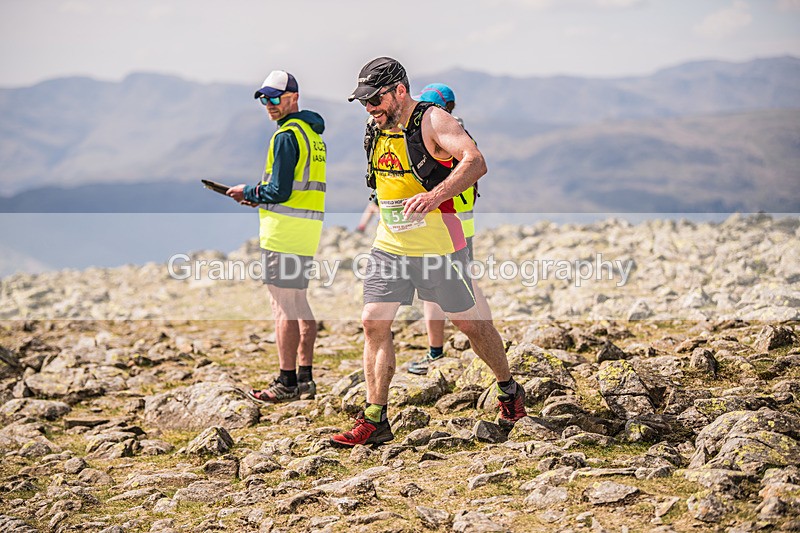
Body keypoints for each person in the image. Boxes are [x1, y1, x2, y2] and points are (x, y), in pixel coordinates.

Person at [330, 57, 527, 447]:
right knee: (373, 321)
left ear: (399, 91)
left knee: (470, 325)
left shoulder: (433, 121)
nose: (369, 109)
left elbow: (475, 161)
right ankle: (375, 418)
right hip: (390, 245)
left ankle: (508, 389)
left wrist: (436, 196)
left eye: (374, 100)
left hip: (440, 246)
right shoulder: (377, 126)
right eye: (364, 102)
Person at [227, 70, 326, 404]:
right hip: (306, 230)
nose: (268, 105)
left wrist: (249, 191)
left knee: (282, 307)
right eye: (263, 99)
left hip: (283, 233)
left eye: (274, 98)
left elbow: (279, 190)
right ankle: (305, 378)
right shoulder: (313, 136)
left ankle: (286, 382)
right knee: (299, 302)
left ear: (293, 98)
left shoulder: (286, 136)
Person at [407, 83, 493, 376]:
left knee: (432, 288)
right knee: (466, 280)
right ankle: (491, 340)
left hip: (440, 222)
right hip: (462, 220)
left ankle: (435, 353)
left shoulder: (433, 133)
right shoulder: (460, 132)